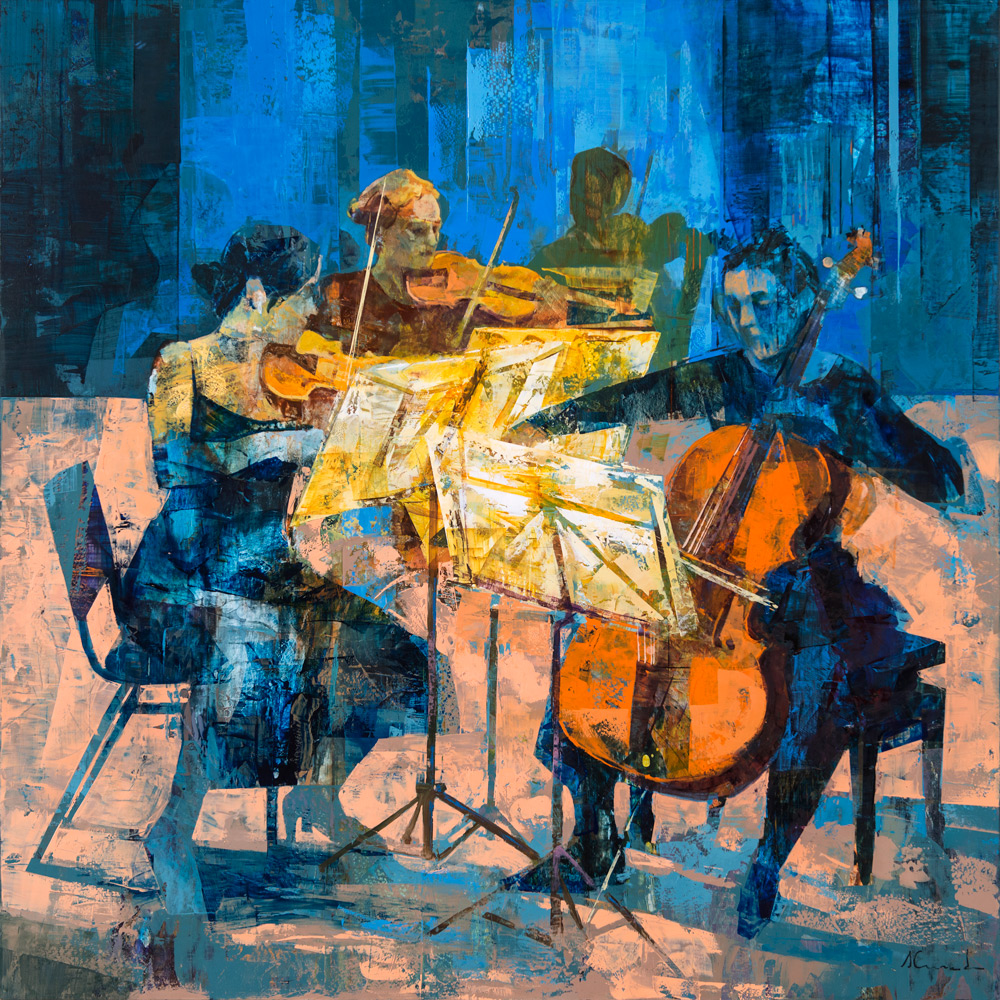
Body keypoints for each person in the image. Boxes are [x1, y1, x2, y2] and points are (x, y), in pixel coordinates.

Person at [521, 227, 964, 931]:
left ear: (801, 298)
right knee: (600, 645)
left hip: (805, 581)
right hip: (712, 568)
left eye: (763, 302)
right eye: (734, 306)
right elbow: (641, 395)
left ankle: (768, 859)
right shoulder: (726, 375)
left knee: (819, 680)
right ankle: (594, 834)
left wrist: (857, 436)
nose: (748, 320)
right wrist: (549, 423)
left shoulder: (844, 389)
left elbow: (941, 479)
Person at [117, 223, 429, 915]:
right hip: (184, 575)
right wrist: (281, 444)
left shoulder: (298, 376)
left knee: (396, 653)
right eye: (305, 294)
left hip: (266, 568)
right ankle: (172, 828)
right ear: (257, 292)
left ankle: (322, 792)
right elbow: (176, 475)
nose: (315, 310)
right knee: (249, 644)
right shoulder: (181, 364)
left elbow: (325, 494)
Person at [307, 168, 569, 359]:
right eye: (417, 231)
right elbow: (306, 346)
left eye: (435, 230)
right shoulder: (341, 292)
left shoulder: (449, 308)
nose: (432, 242)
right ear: (380, 234)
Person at [530, 147, 717, 364]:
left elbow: (668, 337)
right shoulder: (555, 254)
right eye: (577, 185)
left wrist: (689, 272)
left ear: (614, 197)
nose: (580, 195)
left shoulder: (635, 245)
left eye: (593, 188)